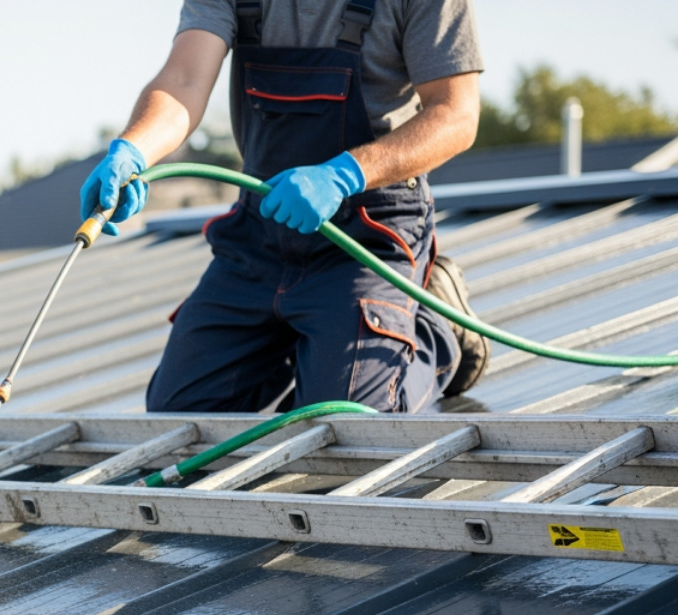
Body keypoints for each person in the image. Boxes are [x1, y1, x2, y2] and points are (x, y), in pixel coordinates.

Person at [82, 0, 488, 413]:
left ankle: (440, 330)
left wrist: (344, 174)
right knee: (180, 414)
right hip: (261, 231)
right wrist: (135, 149)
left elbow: (455, 114)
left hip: (365, 238)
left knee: (347, 422)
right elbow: (184, 80)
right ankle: (320, 346)